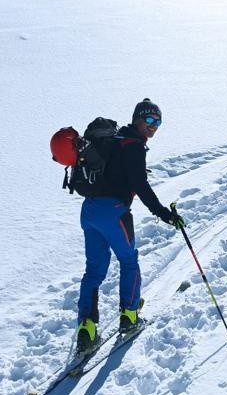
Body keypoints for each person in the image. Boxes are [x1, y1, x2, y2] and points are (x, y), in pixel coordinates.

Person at [76, 98, 183, 352]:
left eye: (157, 122)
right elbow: (140, 185)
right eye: (148, 120)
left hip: (89, 211)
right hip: (114, 213)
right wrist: (163, 213)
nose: (153, 126)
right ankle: (130, 317)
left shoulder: (114, 141)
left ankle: (86, 329)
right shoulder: (132, 146)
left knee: (94, 271)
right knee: (129, 261)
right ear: (136, 118)